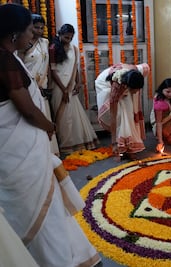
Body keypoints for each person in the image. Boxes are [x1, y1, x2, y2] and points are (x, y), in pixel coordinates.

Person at [0, 4, 101, 266]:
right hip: (18, 149)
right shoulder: (5, 59)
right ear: (14, 34)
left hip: (12, 146)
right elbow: (27, 109)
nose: (32, 36)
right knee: (37, 208)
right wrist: (48, 126)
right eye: (28, 31)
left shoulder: (8, 55)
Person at [49, 24, 98, 154]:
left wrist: (78, 82)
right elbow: (52, 72)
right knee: (63, 116)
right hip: (59, 86)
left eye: (71, 38)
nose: (68, 40)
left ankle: (76, 143)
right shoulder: (53, 48)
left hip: (70, 85)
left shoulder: (74, 49)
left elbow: (74, 68)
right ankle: (65, 145)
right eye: (66, 37)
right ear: (59, 34)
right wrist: (64, 89)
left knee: (73, 114)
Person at [20, 13, 59, 155]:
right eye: (36, 28)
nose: (39, 31)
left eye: (42, 28)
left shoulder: (45, 42)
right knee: (32, 118)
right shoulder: (23, 44)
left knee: (44, 115)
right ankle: (35, 152)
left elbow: (47, 64)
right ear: (29, 27)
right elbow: (20, 65)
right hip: (28, 86)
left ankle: (49, 151)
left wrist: (49, 84)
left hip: (43, 85)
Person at [95, 62, 149, 131]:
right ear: (127, 86)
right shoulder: (117, 86)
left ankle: (130, 129)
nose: (137, 92)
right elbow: (113, 114)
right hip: (104, 83)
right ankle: (122, 130)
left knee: (129, 104)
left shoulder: (137, 72)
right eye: (135, 90)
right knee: (119, 110)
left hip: (122, 81)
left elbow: (146, 67)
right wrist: (114, 139)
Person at [108, 68, 146, 160]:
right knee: (120, 117)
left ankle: (130, 147)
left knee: (129, 115)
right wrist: (113, 143)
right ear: (129, 86)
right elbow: (113, 117)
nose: (137, 92)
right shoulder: (116, 89)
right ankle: (120, 148)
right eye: (136, 90)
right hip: (106, 86)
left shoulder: (132, 76)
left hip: (124, 88)